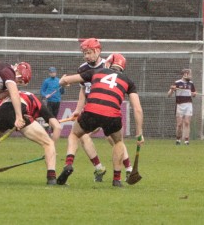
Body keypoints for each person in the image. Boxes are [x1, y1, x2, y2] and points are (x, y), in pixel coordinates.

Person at [58, 53, 144, 187]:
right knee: (118, 142)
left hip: (91, 111)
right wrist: (139, 133)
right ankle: (117, 179)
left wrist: (62, 80)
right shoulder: (128, 81)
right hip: (112, 115)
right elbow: (138, 109)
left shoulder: (95, 71)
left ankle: (68, 164)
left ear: (108, 63)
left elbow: (66, 81)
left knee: (75, 134)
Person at [72, 38, 132, 182]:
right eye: (84, 53)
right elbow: (83, 91)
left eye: (89, 52)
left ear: (97, 51)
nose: (86, 56)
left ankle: (129, 168)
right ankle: (99, 167)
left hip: (106, 109)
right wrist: (78, 109)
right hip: (91, 110)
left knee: (113, 140)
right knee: (83, 136)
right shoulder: (82, 69)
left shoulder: (108, 66)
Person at [0, 90, 63, 184]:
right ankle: (51, 179)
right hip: (21, 113)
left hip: (1, 112)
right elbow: (57, 127)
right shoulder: (39, 104)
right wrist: (52, 149)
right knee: (48, 144)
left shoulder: (10, 96)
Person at [167, 68, 197, 145]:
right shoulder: (177, 83)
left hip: (188, 105)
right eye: (189, 74)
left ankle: (186, 140)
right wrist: (172, 90)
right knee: (179, 124)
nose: (190, 76)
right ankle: (178, 139)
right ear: (185, 74)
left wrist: (194, 94)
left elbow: (194, 94)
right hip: (179, 105)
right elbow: (169, 95)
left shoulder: (191, 83)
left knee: (187, 122)